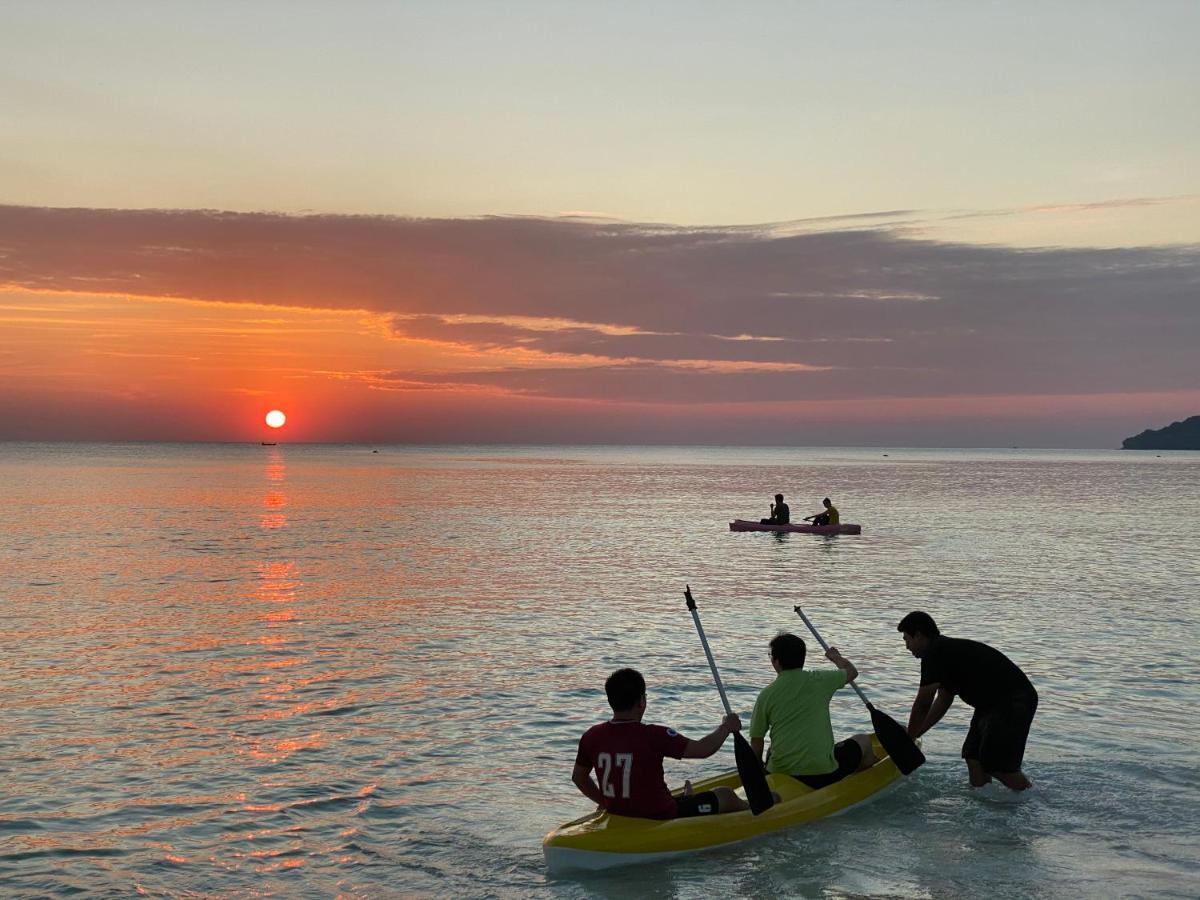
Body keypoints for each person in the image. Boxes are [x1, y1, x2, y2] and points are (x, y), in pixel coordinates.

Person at [572, 668, 749, 818]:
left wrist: (604, 802)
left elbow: (579, 778)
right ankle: (757, 811)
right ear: (642, 701)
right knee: (725, 795)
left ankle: (687, 798)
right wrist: (726, 727)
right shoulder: (655, 735)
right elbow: (703, 750)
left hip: (617, 812)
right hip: (661, 814)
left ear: (611, 701)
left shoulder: (591, 736)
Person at [897, 611, 1038, 791]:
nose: (907, 647)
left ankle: (1031, 798)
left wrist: (908, 739)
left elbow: (922, 704)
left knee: (997, 765)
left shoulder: (934, 653)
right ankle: (985, 803)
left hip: (1013, 700)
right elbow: (943, 700)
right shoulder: (942, 652)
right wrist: (916, 733)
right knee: (973, 756)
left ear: (918, 635)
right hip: (990, 704)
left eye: (906, 639)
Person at [749, 633, 876, 789]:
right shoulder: (820, 679)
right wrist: (835, 657)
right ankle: (858, 784)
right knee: (863, 740)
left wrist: (759, 774)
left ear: (775, 661)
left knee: (771, 749)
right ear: (802, 659)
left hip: (780, 774)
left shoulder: (766, 695)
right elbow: (852, 671)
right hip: (823, 775)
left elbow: (756, 742)